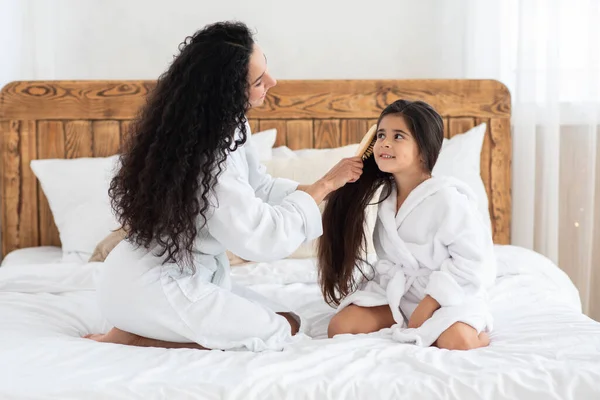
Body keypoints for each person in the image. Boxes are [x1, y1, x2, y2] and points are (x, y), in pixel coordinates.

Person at [85, 21, 363, 352]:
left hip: (170, 277)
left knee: (288, 317)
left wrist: (324, 188)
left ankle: (137, 328)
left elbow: (258, 187)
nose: (272, 83)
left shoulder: (224, 126)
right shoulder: (208, 155)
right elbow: (259, 236)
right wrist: (322, 187)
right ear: (228, 90)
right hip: (148, 286)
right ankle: (137, 335)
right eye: (259, 81)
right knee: (279, 331)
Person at [317, 99, 496, 350]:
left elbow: (473, 263)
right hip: (399, 293)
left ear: (423, 149)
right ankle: (408, 319)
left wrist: (428, 305)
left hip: (447, 294)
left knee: (459, 342)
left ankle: (480, 334)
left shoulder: (448, 200)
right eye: (381, 135)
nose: (385, 143)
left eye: (398, 136)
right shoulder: (387, 197)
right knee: (340, 327)